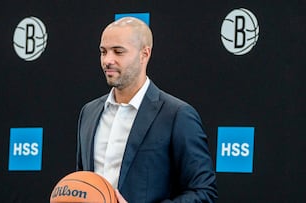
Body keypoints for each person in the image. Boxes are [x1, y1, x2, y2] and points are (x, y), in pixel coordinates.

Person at [76, 17, 218, 203]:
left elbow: (204, 192)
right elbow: (82, 184)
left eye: (118, 52)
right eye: (103, 52)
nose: (108, 60)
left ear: (145, 54)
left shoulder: (177, 115)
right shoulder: (89, 112)